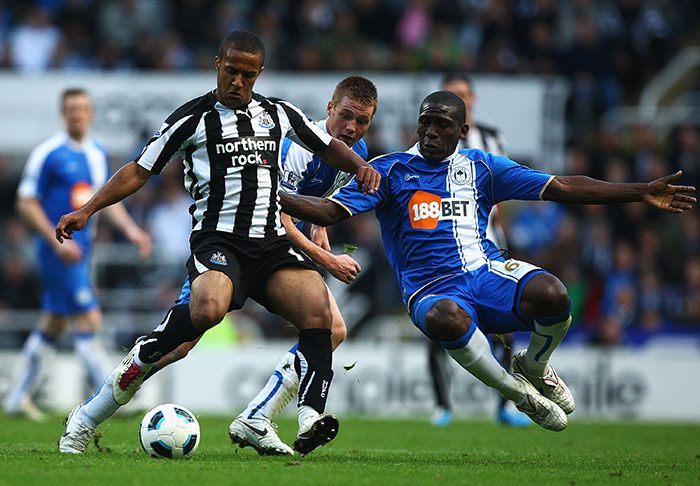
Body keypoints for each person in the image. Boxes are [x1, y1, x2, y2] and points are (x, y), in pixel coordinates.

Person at [279, 91, 696, 432]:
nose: (431, 131)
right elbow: (329, 211)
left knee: (554, 295)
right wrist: (268, 193)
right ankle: (519, 394)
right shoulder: (388, 171)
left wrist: (640, 190)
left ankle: (533, 365)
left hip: (486, 273)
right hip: (430, 291)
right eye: (425, 122)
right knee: (446, 319)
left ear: (462, 130)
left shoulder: (482, 167)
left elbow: (563, 186)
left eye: (443, 125)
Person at [55, 31, 380, 455]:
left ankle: (309, 417)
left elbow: (327, 146)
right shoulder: (192, 118)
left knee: (319, 313)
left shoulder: (278, 114)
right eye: (231, 71)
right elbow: (139, 169)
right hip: (219, 239)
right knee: (205, 312)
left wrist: (361, 167)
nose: (238, 82)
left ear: (259, 74)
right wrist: (88, 209)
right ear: (217, 65)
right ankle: (87, 416)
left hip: (271, 244)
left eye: (248, 75)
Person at [142, 75, 378, 455]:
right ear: (329, 109)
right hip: (238, 243)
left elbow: (316, 201)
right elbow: (278, 211)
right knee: (180, 345)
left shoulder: (354, 152)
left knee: (332, 329)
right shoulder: (297, 148)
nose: (351, 127)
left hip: (275, 257)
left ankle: (257, 416)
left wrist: (320, 232)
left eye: (362, 120)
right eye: (346, 116)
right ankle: (116, 391)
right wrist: (326, 259)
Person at [3, 88, 151, 421]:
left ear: (91, 113)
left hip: (83, 252)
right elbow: (25, 202)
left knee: (53, 323)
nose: (76, 114)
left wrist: (132, 232)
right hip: (57, 250)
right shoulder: (49, 153)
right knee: (89, 317)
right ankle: (111, 395)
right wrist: (54, 239)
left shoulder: (97, 153)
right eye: (70, 109)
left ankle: (16, 396)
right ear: (63, 114)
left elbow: (102, 203)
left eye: (82, 108)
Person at [427, 71, 528, 427]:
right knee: (438, 323)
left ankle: (505, 406)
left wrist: (504, 236)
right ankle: (442, 405)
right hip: (442, 247)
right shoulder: (430, 139)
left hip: (488, 244)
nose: (462, 99)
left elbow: (504, 193)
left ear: (473, 99)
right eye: (454, 94)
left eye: (466, 94)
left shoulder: (491, 138)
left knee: (505, 327)